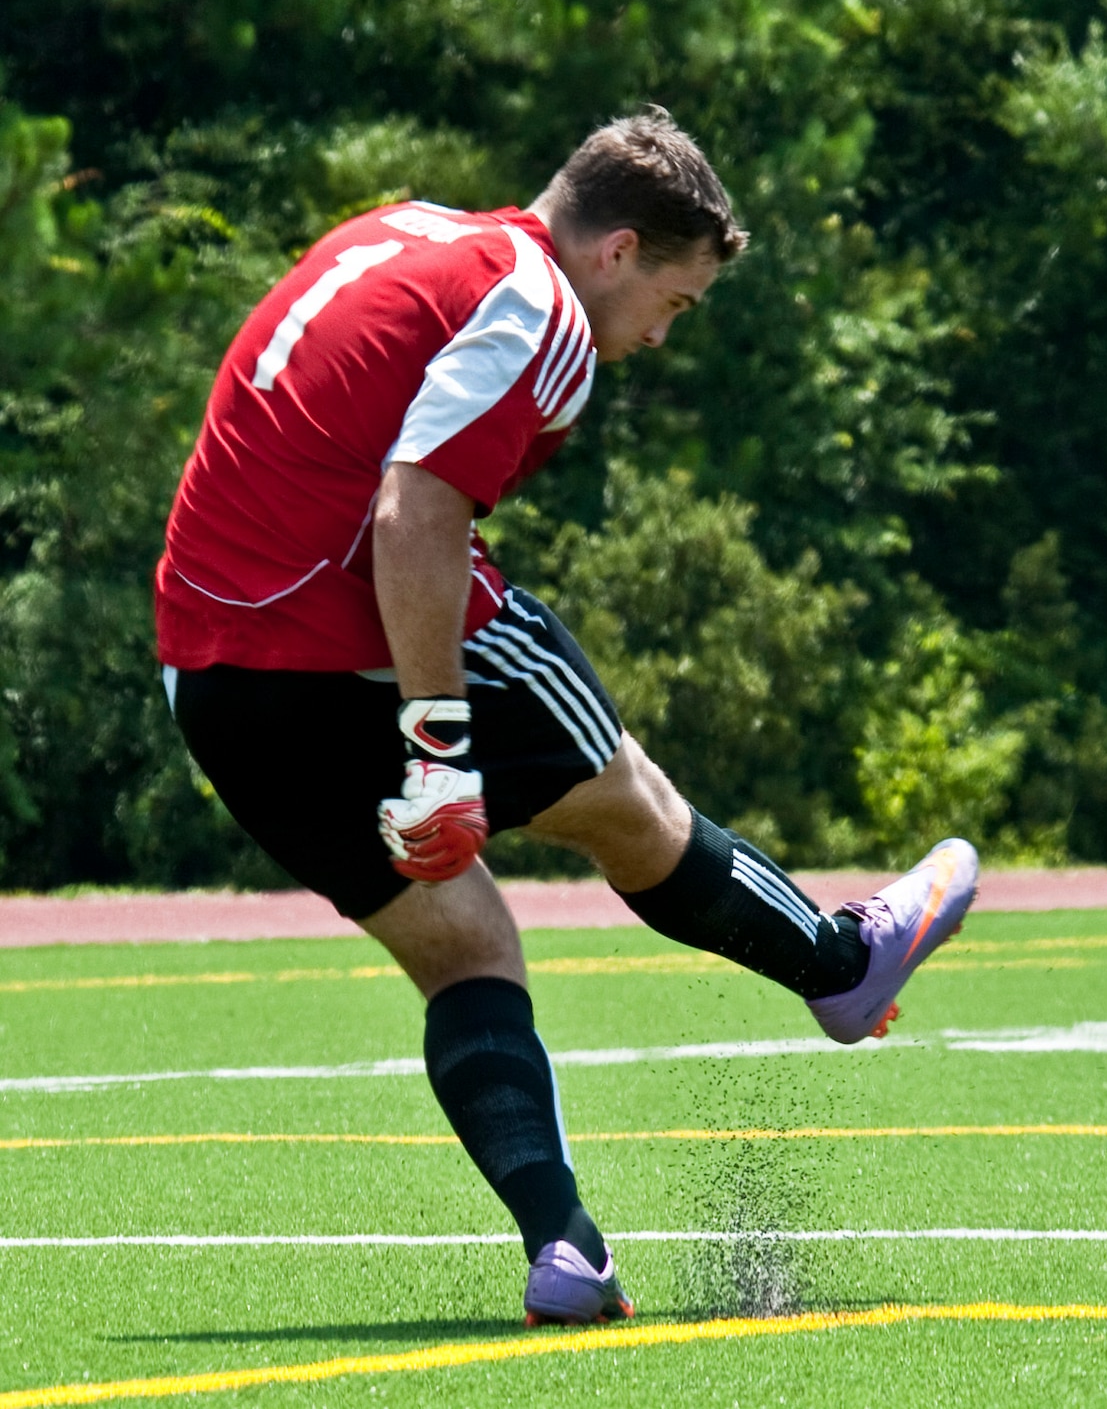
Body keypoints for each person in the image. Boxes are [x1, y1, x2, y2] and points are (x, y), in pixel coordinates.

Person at [152, 109, 979, 1326]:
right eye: (673, 303)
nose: (656, 336)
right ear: (617, 249)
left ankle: (568, 1252)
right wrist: (438, 745)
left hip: (215, 674)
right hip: (349, 631)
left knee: (467, 949)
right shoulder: (541, 306)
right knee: (631, 808)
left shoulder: (399, 229)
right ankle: (840, 964)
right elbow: (415, 512)